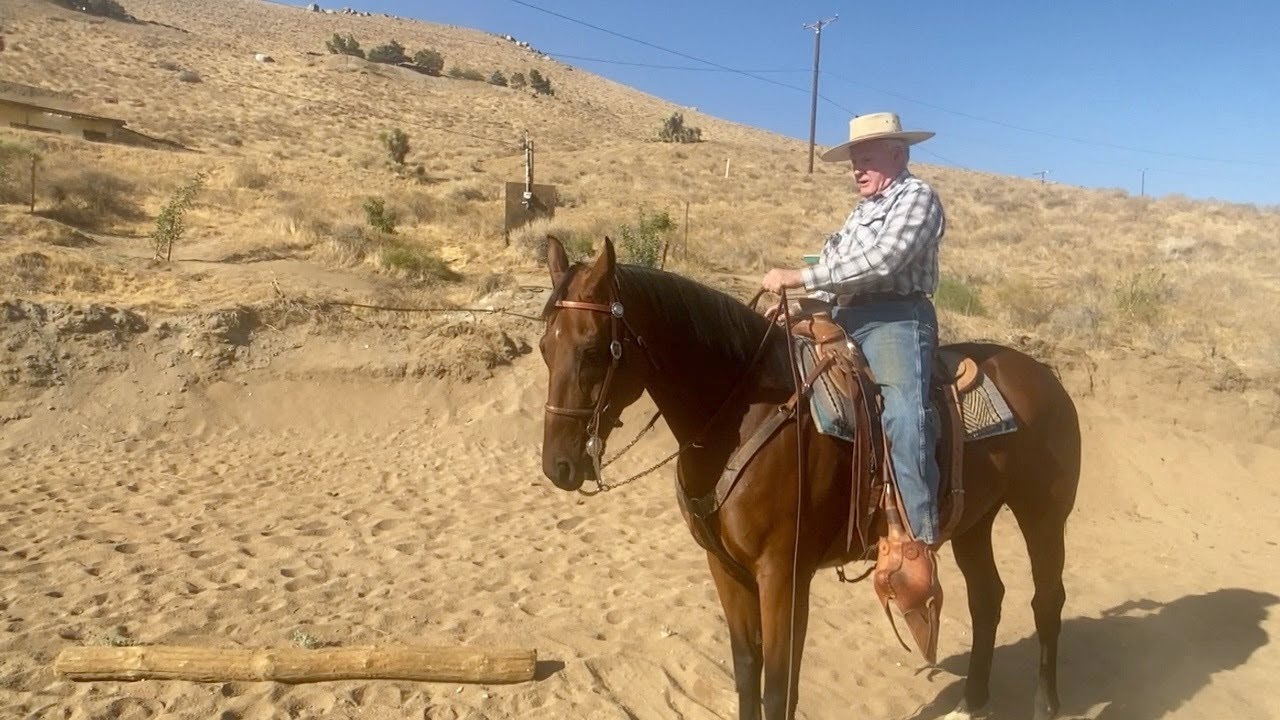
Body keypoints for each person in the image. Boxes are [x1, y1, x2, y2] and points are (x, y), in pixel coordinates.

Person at [761, 111, 946, 658]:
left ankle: (919, 531)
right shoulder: (860, 212)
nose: (857, 169)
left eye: (867, 157)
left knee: (905, 412)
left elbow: (885, 261)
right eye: (854, 160)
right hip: (845, 312)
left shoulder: (919, 198)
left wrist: (798, 277)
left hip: (896, 317)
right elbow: (838, 259)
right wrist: (803, 298)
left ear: (898, 155)